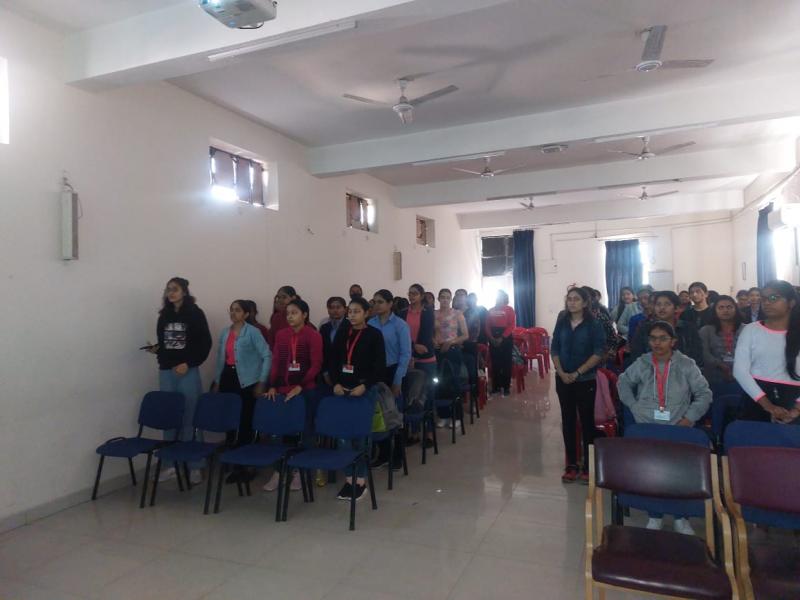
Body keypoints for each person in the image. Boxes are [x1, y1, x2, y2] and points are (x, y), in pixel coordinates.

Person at [617, 320, 712, 534]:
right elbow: (623, 382)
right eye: (653, 339)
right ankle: (655, 515)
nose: (657, 343)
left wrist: (689, 418)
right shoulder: (642, 362)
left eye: (663, 339)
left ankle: (680, 517)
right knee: (652, 472)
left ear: (673, 341)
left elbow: (704, 394)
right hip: (648, 426)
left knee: (677, 473)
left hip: (678, 426)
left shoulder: (686, 364)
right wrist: (634, 407)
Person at [152, 277, 212, 484]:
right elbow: (163, 343)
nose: (171, 293)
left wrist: (189, 362)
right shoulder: (164, 315)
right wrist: (160, 355)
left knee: (190, 416)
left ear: (184, 292)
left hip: (187, 370)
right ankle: (171, 465)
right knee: (169, 417)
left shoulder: (195, 313)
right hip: (167, 371)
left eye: (175, 289)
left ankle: (195, 465)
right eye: (168, 289)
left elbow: (205, 343)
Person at [262, 298, 323, 492]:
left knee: (306, 431)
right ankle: (279, 471)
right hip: (283, 390)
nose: (290, 316)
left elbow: (316, 365)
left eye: (294, 313)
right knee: (277, 432)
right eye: (287, 313)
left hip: (306, 390)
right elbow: (277, 362)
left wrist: (300, 386)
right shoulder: (281, 335)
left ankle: (301, 471)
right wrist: (272, 385)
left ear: (304, 315)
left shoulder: (313, 335)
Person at [330, 297, 386, 501]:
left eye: (357, 311)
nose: (352, 315)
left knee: (361, 436)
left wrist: (365, 385)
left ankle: (360, 480)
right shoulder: (342, 333)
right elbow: (333, 361)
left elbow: (379, 367)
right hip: (342, 390)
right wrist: (335, 383)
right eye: (350, 312)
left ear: (366, 313)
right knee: (343, 436)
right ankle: (348, 478)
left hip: (364, 390)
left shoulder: (374, 335)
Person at [211, 300, 272, 483]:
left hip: (247, 382)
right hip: (228, 379)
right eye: (231, 310)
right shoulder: (225, 332)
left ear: (246, 314)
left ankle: (247, 466)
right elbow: (221, 359)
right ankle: (233, 462)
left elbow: (267, 355)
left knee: (246, 423)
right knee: (230, 422)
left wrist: (262, 381)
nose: (233, 313)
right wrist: (217, 381)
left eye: (237, 310)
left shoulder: (252, 332)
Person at [551, 287, 607, 483]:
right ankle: (572, 464)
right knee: (567, 421)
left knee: (586, 422)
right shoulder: (562, 322)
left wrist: (577, 372)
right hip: (563, 379)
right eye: (569, 299)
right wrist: (560, 372)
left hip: (585, 380)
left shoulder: (594, 324)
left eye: (576, 299)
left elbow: (598, 352)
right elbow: (554, 348)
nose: (572, 302)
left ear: (584, 303)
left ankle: (588, 465)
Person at [734, 280, 800, 424]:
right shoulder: (751, 330)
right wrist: (769, 406)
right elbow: (740, 371)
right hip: (757, 397)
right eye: (763, 298)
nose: (767, 303)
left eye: (774, 298)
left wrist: (796, 409)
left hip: (794, 400)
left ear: (791, 303)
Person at [368, 289, 412, 468]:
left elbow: (405, 354)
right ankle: (384, 454)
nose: (377, 305)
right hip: (376, 373)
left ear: (390, 304)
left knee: (394, 415)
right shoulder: (370, 323)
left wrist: (397, 380)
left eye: (380, 302)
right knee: (379, 414)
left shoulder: (400, 325)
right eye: (375, 302)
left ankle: (398, 456)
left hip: (394, 371)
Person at [399, 284, 437, 447]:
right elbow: (401, 336)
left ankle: (429, 433)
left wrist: (414, 349)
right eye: (410, 293)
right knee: (412, 397)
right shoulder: (402, 313)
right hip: (408, 358)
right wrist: (413, 348)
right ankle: (414, 433)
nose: (411, 296)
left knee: (427, 394)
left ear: (421, 296)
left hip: (426, 359)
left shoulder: (428, 313)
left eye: (415, 293)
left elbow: (426, 337)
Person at [630, 291, 703, 366]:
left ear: (676, 308)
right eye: (658, 304)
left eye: (667, 304)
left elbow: (697, 356)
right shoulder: (644, 329)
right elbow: (637, 355)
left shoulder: (688, 328)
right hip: (650, 370)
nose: (662, 308)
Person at [434, 288, 470, 427]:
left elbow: (465, 335)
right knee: (439, 383)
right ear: (438, 298)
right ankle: (443, 415)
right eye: (442, 297)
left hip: (452, 350)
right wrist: (433, 341)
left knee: (453, 383)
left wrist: (451, 342)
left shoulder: (457, 314)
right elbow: (429, 332)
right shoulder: (434, 314)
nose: (444, 300)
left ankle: (457, 416)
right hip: (438, 351)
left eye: (447, 297)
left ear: (450, 299)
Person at [699, 295, 744, 387]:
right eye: (721, 307)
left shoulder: (746, 329)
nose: (725, 310)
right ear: (715, 311)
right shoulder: (706, 330)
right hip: (714, 376)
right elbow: (704, 353)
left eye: (729, 307)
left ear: (736, 309)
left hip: (743, 374)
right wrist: (721, 365)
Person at [486, 290, 516, 397]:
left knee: (506, 363)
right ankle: (496, 387)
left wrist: (502, 337)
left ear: (504, 298)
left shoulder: (509, 309)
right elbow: (487, 326)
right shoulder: (490, 310)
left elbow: (512, 325)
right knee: (495, 364)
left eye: (500, 296)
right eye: (497, 296)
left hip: (506, 339)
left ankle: (506, 387)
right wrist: (491, 338)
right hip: (493, 338)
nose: (498, 298)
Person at [319, 296, 349, 385]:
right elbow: (321, 351)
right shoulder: (324, 328)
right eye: (332, 307)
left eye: (338, 307)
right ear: (328, 310)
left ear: (345, 309)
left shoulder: (351, 326)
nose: (335, 310)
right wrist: (325, 372)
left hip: (347, 371)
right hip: (327, 371)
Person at [266, 286, 298, 350]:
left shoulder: (300, 315)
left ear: (293, 298)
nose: (280, 300)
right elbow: (271, 340)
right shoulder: (276, 317)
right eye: (278, 297)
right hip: (280, 353)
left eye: (284, 297)